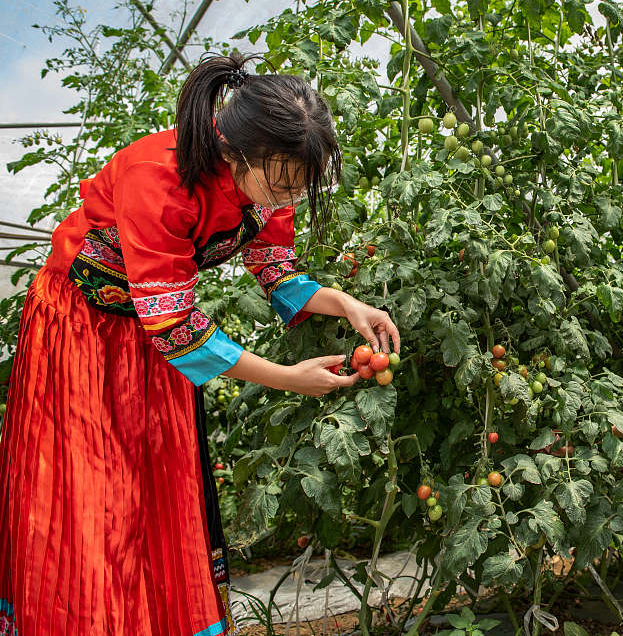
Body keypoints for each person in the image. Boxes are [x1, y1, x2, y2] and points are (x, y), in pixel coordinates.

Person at [0, 54, 400, 636]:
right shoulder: (157, 177)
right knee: (92, 490)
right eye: (281, 183)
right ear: (236, 152)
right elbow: (174, 326)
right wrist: (289, 378)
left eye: (299, 186)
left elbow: (275, 268)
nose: (285, 197)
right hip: (83, 329)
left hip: (152, 334)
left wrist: (346, 303)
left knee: (158, 489)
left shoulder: (267, 179)